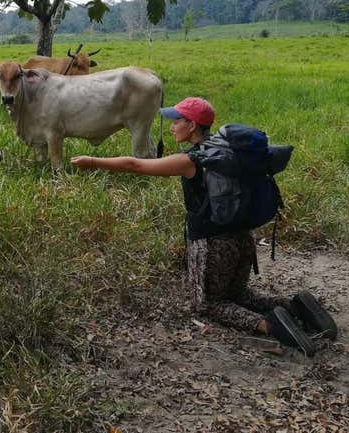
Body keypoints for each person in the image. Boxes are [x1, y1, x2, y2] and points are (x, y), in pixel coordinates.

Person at [71, 97, 337, 356]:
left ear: (193, 125)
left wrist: (93, 161)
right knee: (239, 294)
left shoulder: (192, 160)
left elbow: (135, 164)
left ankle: (271, 325)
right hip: (244, 237)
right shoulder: (232, 154)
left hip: (213, 243)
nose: (172, 126)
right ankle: (295, 307)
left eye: (177, 121)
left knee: (208, 305)